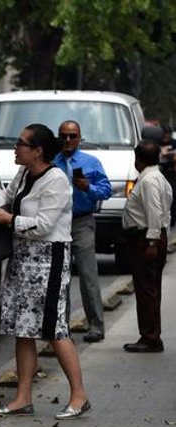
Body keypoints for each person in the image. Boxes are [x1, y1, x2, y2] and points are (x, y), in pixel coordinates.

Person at [0, 123, 90, 420]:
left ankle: (79, 395)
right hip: (22, 259)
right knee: (22, 329)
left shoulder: (56, 180)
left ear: (38, 151)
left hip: (49, 259)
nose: (15, 149)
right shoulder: (23, 174)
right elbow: (7, 194)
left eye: (20, 144)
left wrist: (8, 219)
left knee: (54, 329)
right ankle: (22, 397)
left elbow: (43, 225)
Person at [53, 120, 112, 343]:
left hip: (81, 222)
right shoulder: (51, 162)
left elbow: (106, 191)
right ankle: (61, 327)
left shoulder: (91, 162)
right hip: (57, 223)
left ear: (79, 138)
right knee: (61, 277)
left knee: (88, 276)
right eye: (64, 136)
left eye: (72, 136)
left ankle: (96, 325)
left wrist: (87, 186)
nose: (68, 140)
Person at [122, 139, 172, 353]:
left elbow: (155, 212)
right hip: (150, 237)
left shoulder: (150, 181)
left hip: (146, 239)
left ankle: (150, 338)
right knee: (150, 289)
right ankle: (150, 335)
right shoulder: (158, 177)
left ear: (138, 159)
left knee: (146, 290)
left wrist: (152, 241)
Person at [159, 125, 176, 226]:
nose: (166, 137)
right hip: (160, 171)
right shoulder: (157, 142)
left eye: (168, 135)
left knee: (173, 194)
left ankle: (173, 219)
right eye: (165, 135)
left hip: (171, 171)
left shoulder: (174, 143)